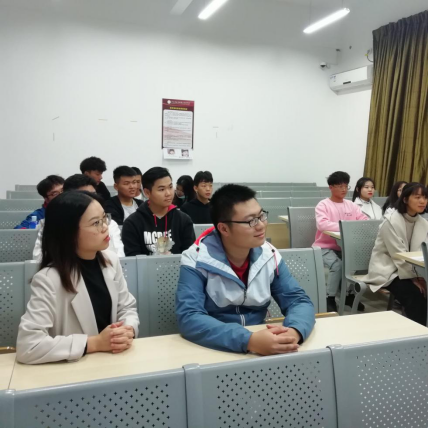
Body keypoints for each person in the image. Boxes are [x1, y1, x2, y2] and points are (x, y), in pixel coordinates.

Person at [176, 184, 315, 355]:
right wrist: (248, 340)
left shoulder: (269, 254)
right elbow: (189, 317)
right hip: (215, 345)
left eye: (261, 216)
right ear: (224, 228)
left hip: (262, 340)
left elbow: (298, 301)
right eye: (251, 221)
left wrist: (294, 332)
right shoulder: (196, 259)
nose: (261, 225)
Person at [17, 192, 139, 365]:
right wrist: (94, 343)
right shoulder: (48, 279)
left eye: (104, 218)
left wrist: (127, 330)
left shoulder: (111, 260)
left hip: (114, 360)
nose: (105, 227)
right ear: (69, 232)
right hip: (74, 367)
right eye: (96, 223)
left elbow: (126, 307)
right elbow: (28, 346)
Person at [364, 183, 428, 326]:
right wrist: (414, 278)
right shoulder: (391, 221)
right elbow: (398, 255)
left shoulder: (423, 223)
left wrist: (421, 276)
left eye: (425, 197)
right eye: (417, 197)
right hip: (388, 269)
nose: (422, 201)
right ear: (405, 199)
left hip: (412, 269)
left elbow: (422, 253)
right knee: (415, 295)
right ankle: (418, 335)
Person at [33, 175, 125, 261]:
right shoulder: (52, 226)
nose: (92, 200)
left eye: (94, 194)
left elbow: (120, 258)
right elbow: (40, 259)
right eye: (85, 197)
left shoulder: (109, 223)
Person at [313, 172, 369, 313]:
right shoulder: (323, 205)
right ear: (331, 187)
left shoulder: (351, 205)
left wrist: (349, 226)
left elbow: (364, 221)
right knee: (338, 265)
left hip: (346, 247)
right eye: (340, 186)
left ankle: (349, 294)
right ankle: (329, 297)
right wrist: (346, 226)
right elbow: (323, 225)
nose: (344, 189)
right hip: (324, 247)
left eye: (346, 186)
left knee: (359, 263)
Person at [122, 167, 195, 256]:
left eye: (170, 187)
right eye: (161, 189)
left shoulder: (183, 220)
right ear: (147, 193)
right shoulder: (132, 223)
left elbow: (190, 256)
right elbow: (133, 259)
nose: (168, 193)